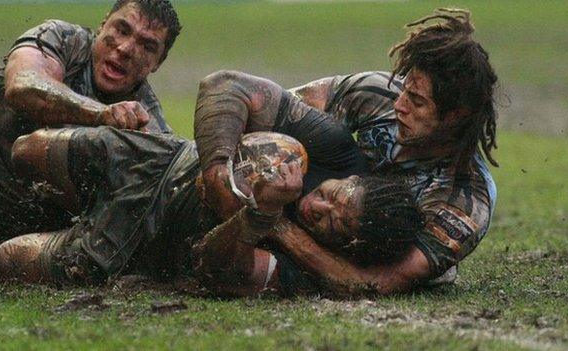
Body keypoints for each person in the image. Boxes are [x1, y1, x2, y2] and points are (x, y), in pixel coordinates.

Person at [194, 8, 498, 294]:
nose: (399, 104)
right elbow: (268, 120)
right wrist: (220, 174)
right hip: (305, 209)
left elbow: (373, 283)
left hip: (340, 249)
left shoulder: (464, 201)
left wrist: (271, 220)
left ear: (456, 115)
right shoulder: (377, 94)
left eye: (417, 102)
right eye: (405, 88)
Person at [0, 112, 422, 297]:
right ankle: (62, 209)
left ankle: (75, 226)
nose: (319, 208)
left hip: (137, 239)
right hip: (158, 159)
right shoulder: (331, 147)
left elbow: (216, 268)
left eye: (335, 225)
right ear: (350, 177)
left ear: (347, 246)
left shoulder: (303, 272)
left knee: (5, 258)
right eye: (332, 196)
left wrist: (262, 216)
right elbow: (227, 86)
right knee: (26, 150)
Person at [0, 0, 181, 274]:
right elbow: (24, 86)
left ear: (158, 62)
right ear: (103, 23)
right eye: (121, 29)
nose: (126, 49)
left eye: (147, 46)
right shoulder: (63, 39)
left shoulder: (149, 126)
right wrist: (101, 114)